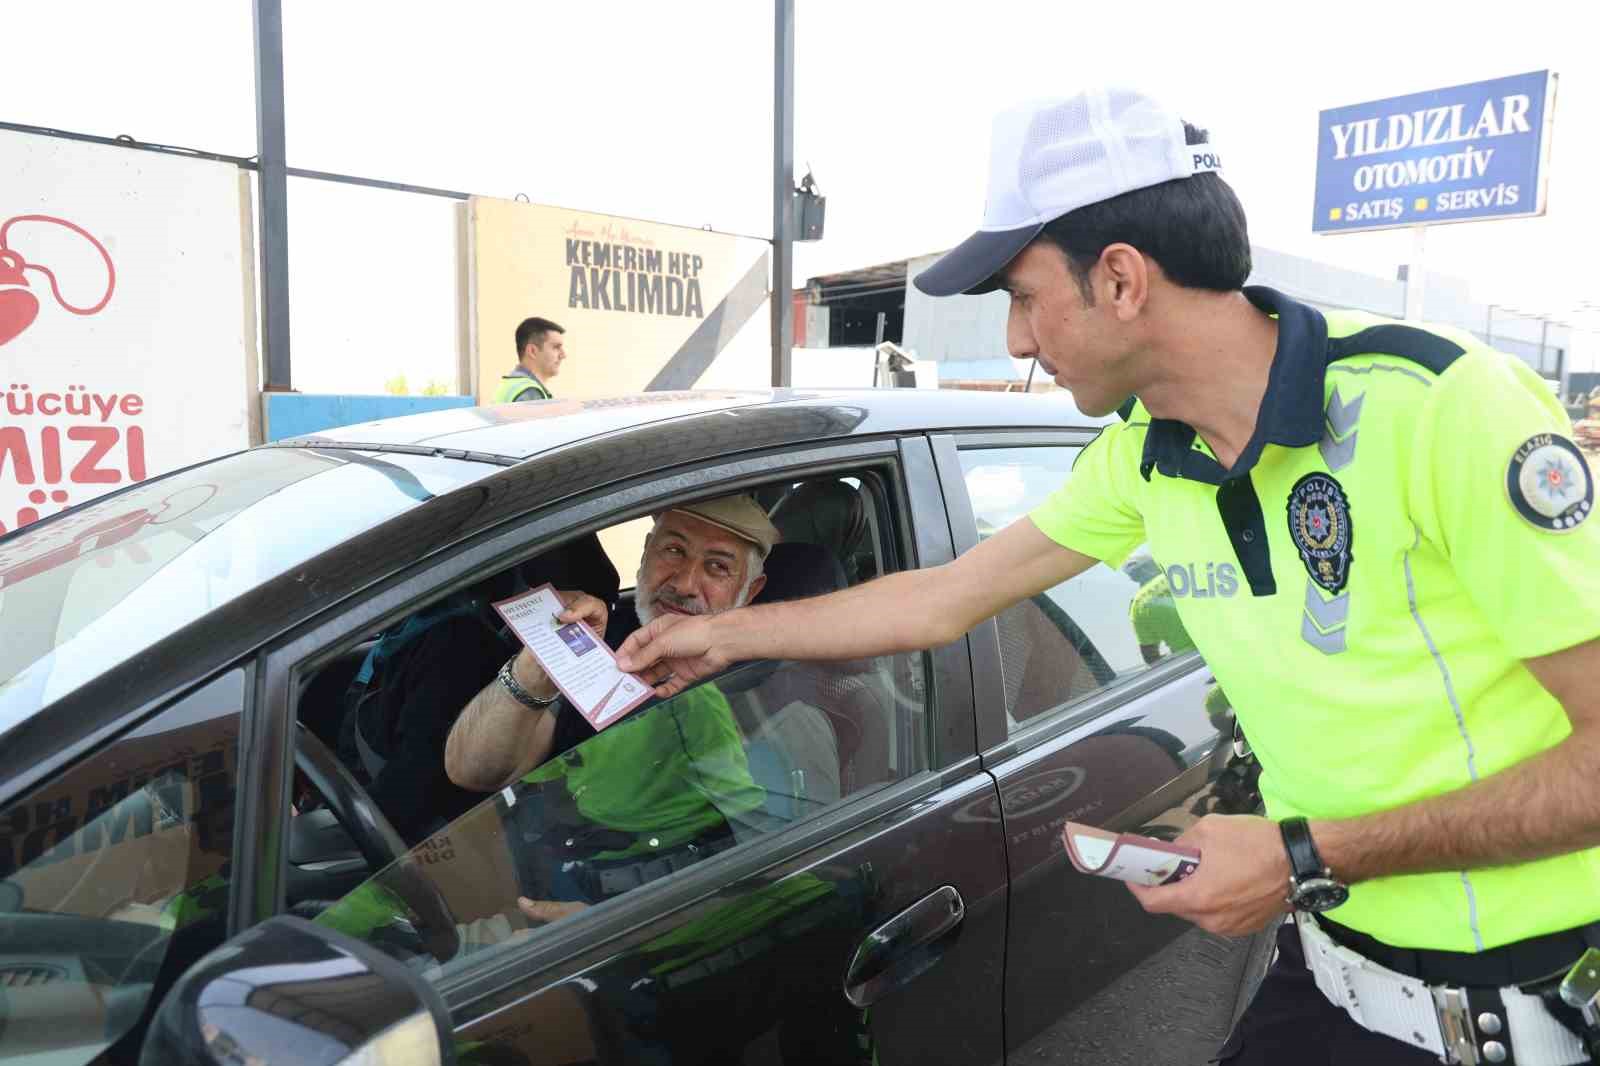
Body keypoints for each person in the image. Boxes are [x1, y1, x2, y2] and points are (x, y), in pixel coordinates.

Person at [617, 86, 1600, 1066]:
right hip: (1328, 963)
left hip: (1510, 1005)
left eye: (1022, 295)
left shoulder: (1440, 408)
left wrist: (1305, 851)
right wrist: (722, 634)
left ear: (1121, 279)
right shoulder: (1142, 455)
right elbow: (943, 595)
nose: (1014, 339)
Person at [445, 494, 840, 918]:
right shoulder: (607, 639)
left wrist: (621, 927)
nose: (685, 583)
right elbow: (474, 770)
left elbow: (780, 868)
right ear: (645, 553)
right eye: (673, 550)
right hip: (548, 867)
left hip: (651, 917)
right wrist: (538, 662)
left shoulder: (758, 689)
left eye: (717, 567)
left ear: (751, 590)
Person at [493, 316, 567, 402]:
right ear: (532, 351)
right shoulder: (531, 393)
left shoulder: (509, 384)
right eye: (556, 347)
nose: (563, 355)